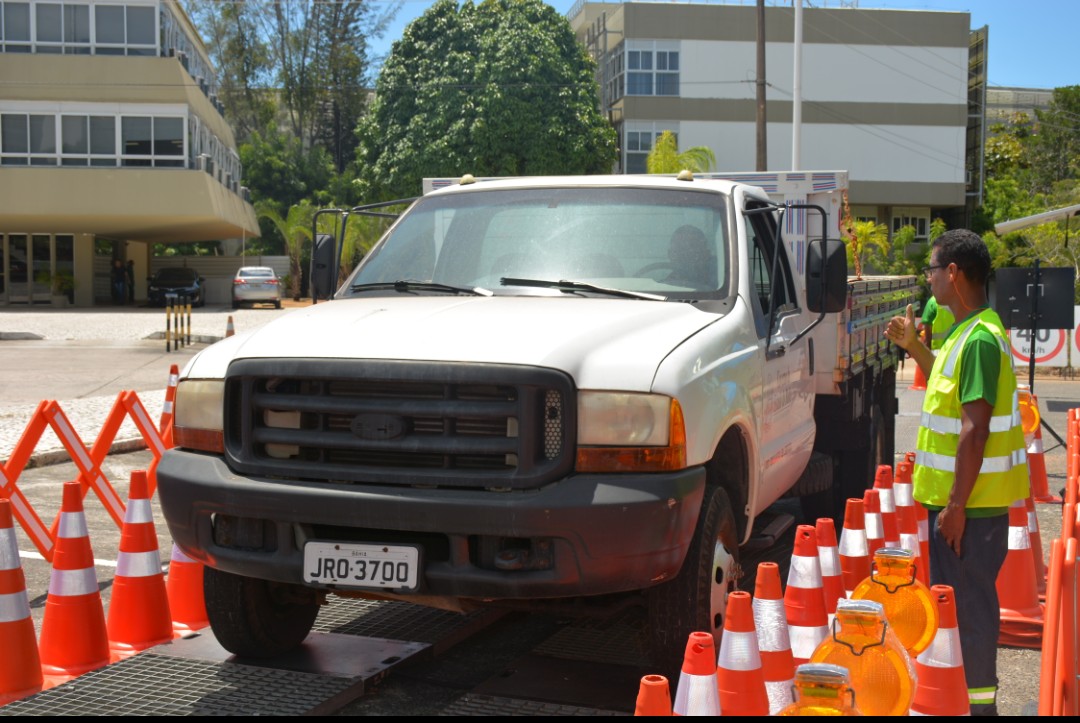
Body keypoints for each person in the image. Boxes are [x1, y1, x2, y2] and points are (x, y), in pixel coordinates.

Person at [884, 228, 1027, 717]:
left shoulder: (981, 339)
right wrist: (914, 348)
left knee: (971, 614)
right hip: (962, 506)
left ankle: (980, 707)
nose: (927, 280)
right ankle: (961, 702)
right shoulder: (964, 333)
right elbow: (950, 389)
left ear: (952, 273)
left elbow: (974, 430)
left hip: (972, 510)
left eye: (931, 269)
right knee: (956, 609)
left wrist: (956, 507)